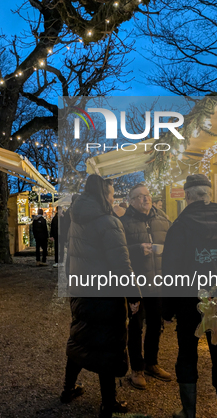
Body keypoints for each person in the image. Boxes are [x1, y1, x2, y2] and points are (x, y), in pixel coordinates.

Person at [162, 174, 217, 418]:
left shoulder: (179, 226)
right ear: (209, 195)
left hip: (190, 303)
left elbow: (171, 271)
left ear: (187, 196)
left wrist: (167, 311)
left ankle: (188, 412)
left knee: (187, 354)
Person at [63, 175, 140, 418]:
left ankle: (67, 389)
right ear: (103, 194)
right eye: (112, 192)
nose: (114, 196)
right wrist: (134, 295)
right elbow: (121, 263)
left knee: (80, 338)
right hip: (105, 294)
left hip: (81, 291)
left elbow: (70, 255)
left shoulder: (77, 218)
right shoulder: (108, 221)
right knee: (108, 346)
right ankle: (108, 404)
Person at [122, 183, 172, 389]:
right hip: (136, 284)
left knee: (155, 326)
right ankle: (136, 369)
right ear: (131, 201)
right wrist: (136, 249)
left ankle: (152, 362)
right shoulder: (123, 222)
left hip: (158, 283)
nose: (146, 199)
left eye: (148, 195)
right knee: (135, 328)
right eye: (140, 196)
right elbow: (118, 251)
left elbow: (173, 244)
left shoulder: (162, 219)